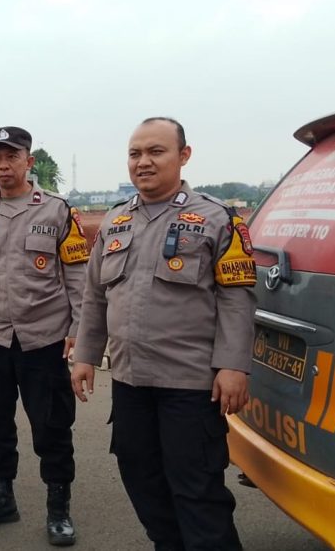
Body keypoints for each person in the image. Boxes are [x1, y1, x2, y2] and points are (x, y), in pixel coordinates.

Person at [70, 117, 255, 550]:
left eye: (156, 151)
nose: (144, 162)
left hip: (190, 384)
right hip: (131, 382)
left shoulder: (217, 219)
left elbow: (236, 298)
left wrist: (233, 365)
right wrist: (84, 355)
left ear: (183, 155)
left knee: (198, 492)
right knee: (143, 481)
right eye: (135, 154)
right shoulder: (116, 221)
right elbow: (95, 296)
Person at [0, 127, 89, 546]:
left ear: (29, 162)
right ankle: (1, 499)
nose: (3, 165)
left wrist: (78, 332)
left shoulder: (57, 211)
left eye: (11, 157)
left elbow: (78, 278)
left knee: (51, 426)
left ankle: (58, 508)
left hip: (43, 340)